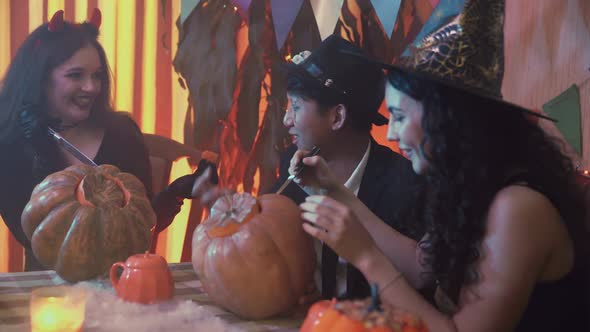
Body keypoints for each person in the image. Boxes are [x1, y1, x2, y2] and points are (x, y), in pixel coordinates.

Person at [292, 58, 589, 330]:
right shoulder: (468, 189)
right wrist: (335, 191)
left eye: (398, 116)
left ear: (446, 118)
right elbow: (422, 266)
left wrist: (365, 256)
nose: (392, 134)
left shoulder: (519, 208)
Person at [191, 34, 426, 301]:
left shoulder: (404, 184)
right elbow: (266, 234)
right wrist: (235, 215)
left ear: (337, 117)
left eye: (297, 106)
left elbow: (419, 279)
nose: (286, 119)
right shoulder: (296, 165)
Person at [0, 9, 213, 271]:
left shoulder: (120, 134)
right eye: (76, 75)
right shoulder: (10, 146)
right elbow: (37, 239)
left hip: (119, 287)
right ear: (40, 79)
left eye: (97, 75)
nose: (91, 87)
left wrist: (177, 192)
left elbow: (139, 226)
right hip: (49, 295)